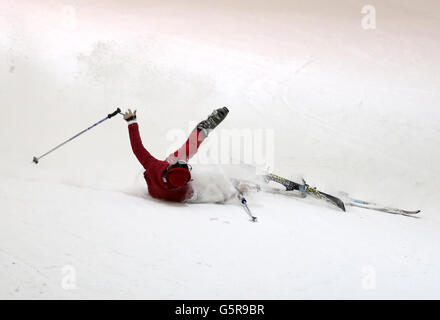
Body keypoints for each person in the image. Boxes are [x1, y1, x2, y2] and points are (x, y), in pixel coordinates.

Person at [124, 107, 230, 202]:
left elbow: (138, 148)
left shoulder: (154, 167)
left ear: (169, 169)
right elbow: (197, 194)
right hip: (171, 181)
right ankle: (202, 130)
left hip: (157, 180)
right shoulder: (184, 192)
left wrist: (131, 122)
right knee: (191, 152)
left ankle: (224, 188)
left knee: (190, 152)